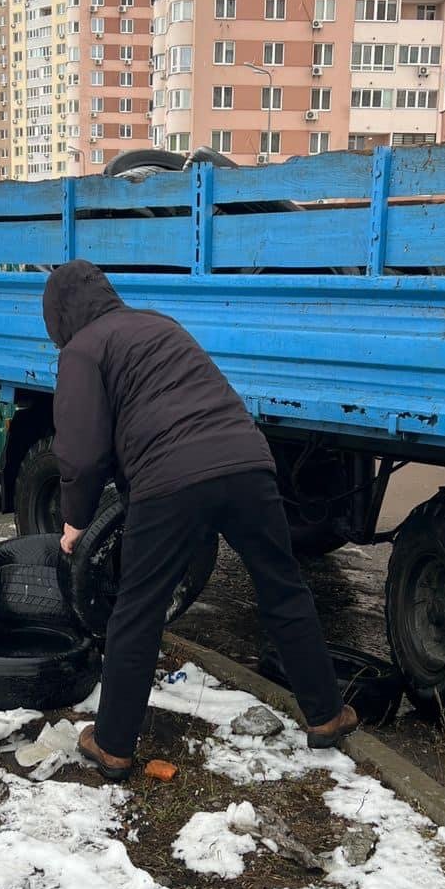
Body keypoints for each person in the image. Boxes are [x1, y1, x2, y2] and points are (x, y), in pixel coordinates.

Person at [44, 259, 356, 782]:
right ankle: (326, 713)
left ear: (58, 316)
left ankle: (114, 744)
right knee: (282, 587)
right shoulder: (158, 324)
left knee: (137, 609)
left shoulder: (83, 349)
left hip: (171, 478)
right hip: (248, 463)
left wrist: (75, 521)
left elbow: (81, 452)